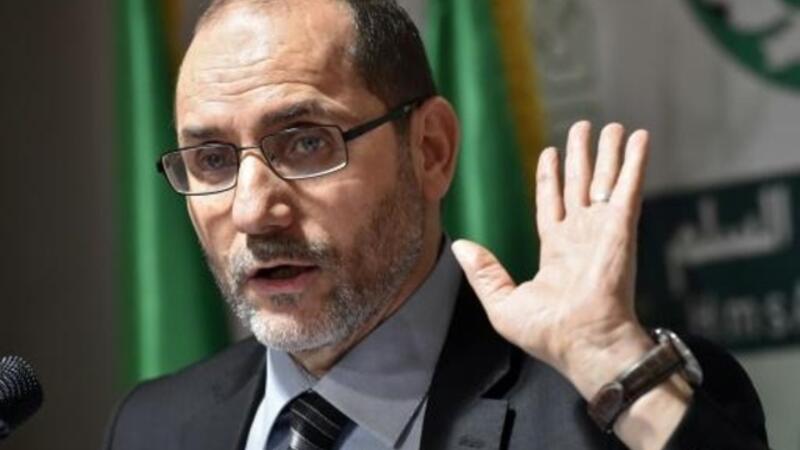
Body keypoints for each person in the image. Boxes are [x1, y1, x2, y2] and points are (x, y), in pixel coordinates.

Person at [104, 1, 769, 449]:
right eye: (213, 159)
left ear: (431, 150)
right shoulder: (154, 427)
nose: (252, 210)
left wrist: (613, 364)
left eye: (306, 142)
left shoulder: (603, 407)